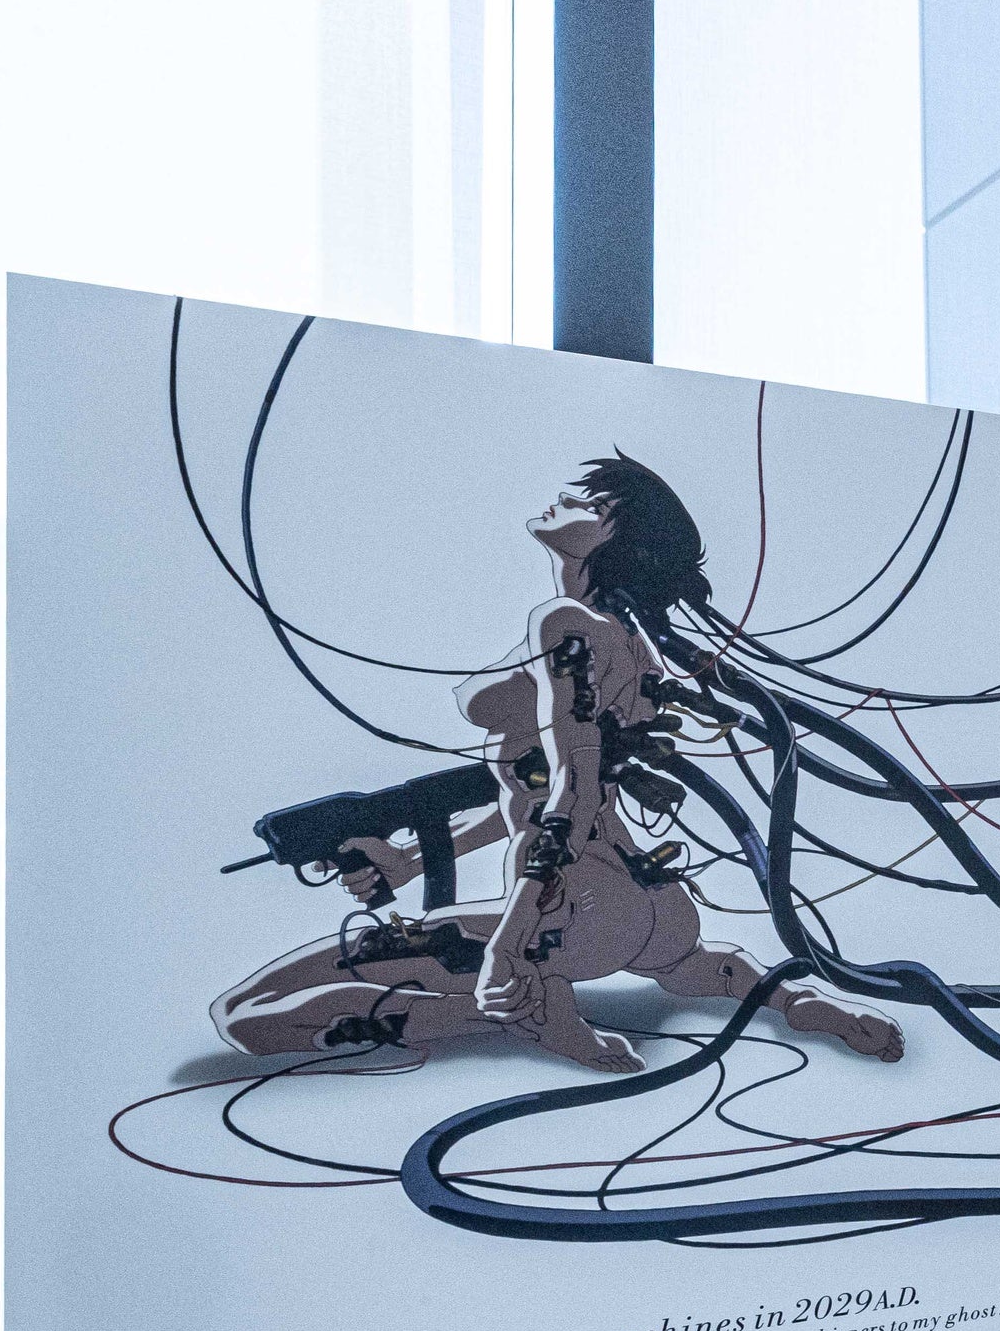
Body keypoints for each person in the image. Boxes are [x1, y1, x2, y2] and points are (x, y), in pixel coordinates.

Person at [213, 456, 903, 1074]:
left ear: (611, 538)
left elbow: (571, 795)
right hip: (652, 906)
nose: (565, 500)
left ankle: (524, 1015)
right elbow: (542, 790)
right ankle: (804, 1003)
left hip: (568, 909)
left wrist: (507, 950)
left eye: (589, 503)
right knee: (695, 967)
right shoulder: (633, 648)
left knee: (249, 1016)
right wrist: (410, 862)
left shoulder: (566, 625)